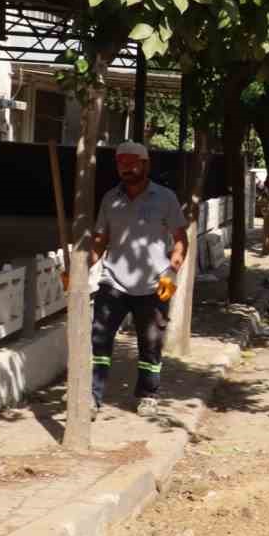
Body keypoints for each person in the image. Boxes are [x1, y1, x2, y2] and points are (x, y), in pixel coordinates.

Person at [89, 142, 189, 417]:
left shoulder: (165, 198)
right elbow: (100, 240)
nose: (126, 168)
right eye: (121, 163)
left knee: (151, 344)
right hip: (113, 282)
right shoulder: (111, 198)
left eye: (132, 163)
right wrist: (79, 269)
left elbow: (181, 239)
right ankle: (92, 396)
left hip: (154, 284)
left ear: (145, 165)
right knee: (99, 339)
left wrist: (172, 272)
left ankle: (148, 394)